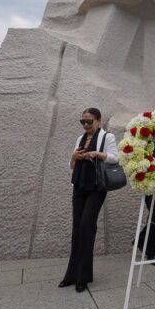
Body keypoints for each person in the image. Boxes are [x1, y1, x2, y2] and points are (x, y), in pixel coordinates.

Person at [59, 107, 118, 292]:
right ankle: (72, 275)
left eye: (89, 121)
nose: (86, 125)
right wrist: (74, 156)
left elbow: (115, 158)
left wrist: (96, 154)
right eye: (83, 121)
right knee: (77, 228)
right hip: (79, 185)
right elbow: (72, 165)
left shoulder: (106, 137)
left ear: (98, 121)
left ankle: (83, 277)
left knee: (86, 226)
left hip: (96, 188)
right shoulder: (80, 138)